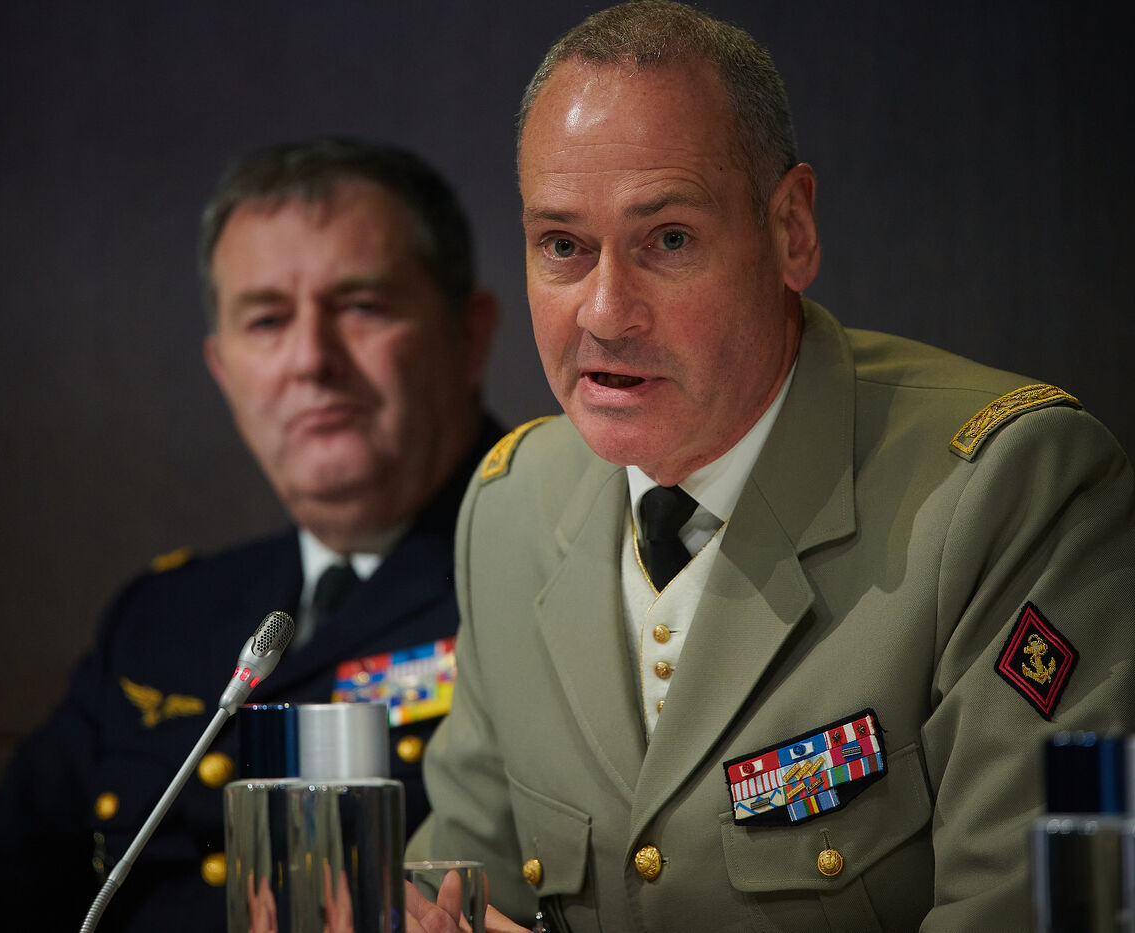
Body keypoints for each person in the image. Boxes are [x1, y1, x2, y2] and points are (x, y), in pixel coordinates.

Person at [405, 3, 1135, 931]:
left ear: (791, 231)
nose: (605, 311)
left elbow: (1029, 913)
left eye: (668, 239)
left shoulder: (1006, 488)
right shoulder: (510, 507)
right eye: (563, 246)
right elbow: (447, 896)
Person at [0, 137, 500, 931]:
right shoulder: (166, 617)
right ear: (223, 370)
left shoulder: (543, 586)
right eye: (267, 319)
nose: (311, 358)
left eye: (362, 306)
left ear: (469, 336)